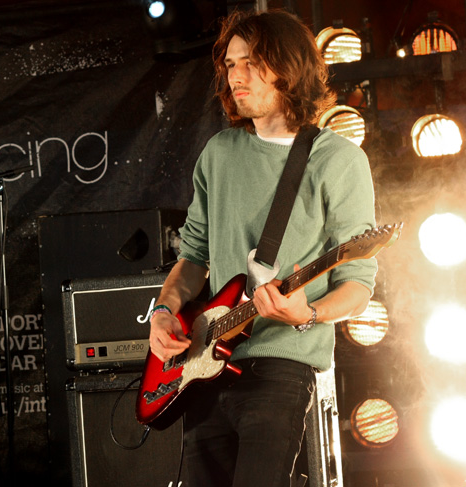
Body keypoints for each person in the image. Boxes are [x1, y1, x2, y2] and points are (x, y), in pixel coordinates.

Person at [148, 9, 377, 487]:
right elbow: (193, 256)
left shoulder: (337, 160)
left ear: (288, 67)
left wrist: (307, 314)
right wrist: (165, 311)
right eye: (230, 64)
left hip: (281, 369)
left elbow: (357, 286)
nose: (236, 76)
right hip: (203, 367)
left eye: (251, 62)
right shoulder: (219, 153)